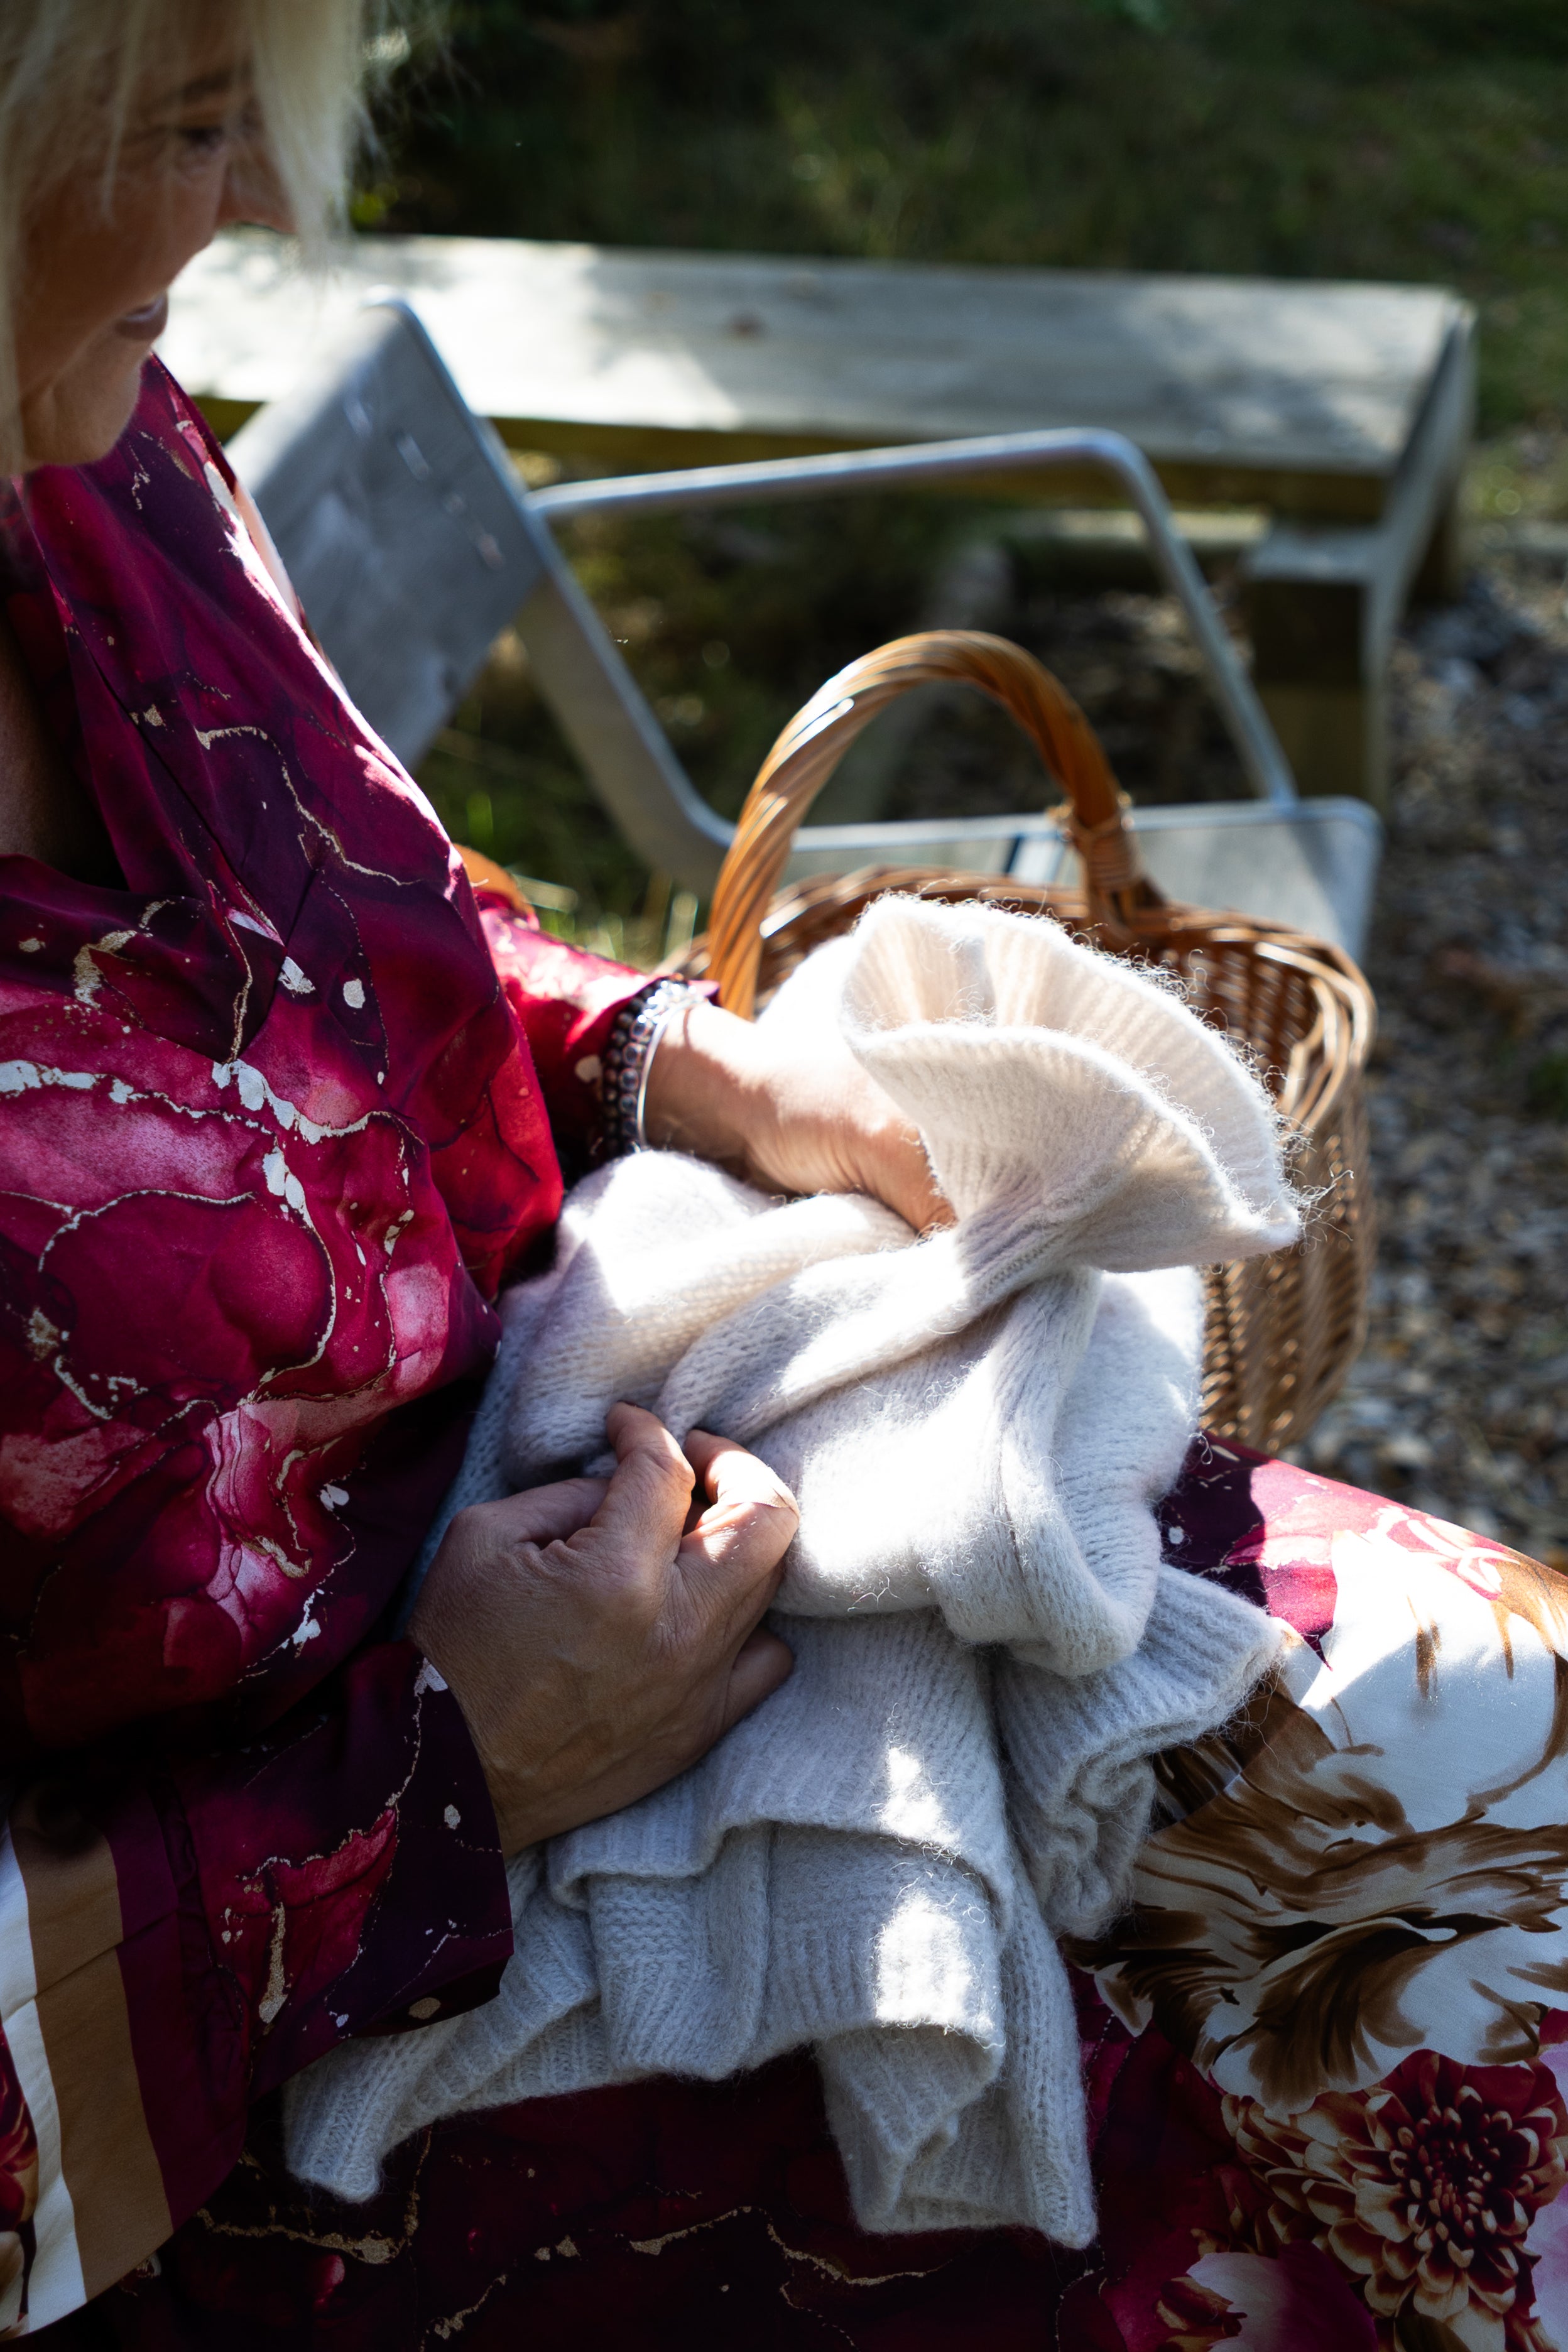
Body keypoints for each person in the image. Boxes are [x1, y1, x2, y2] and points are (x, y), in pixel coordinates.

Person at [7, 8, 1568, 2349]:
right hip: (323, 2091)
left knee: (1503, 1770)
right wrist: (436, 1781)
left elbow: (326, 934)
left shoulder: (86, 463)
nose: (258, 206)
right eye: (184, 121)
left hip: (620, 1601)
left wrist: (682, 1069)